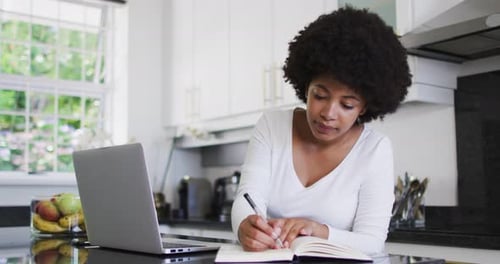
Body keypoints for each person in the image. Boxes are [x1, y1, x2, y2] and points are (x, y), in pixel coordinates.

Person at [231, 6, 412, 255]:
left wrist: (319, 231)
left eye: (347, 104)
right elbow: (248, 197)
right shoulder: (272, 126)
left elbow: (372, 241)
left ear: (364, 107)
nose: (328, 113)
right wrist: (245, 227)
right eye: (320, 95)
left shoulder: (375, 149)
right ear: (305, 87)